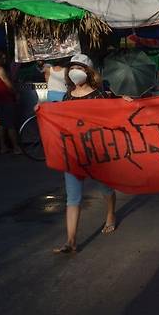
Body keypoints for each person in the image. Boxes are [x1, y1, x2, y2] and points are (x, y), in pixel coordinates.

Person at [52, 54, 118, 254]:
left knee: (106, 190)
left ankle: (110, 215)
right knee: (73, 198)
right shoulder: (67, 96)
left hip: (96, 153)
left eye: (79, 67)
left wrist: (123, 101)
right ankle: (71, 241)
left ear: (88, 72)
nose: (74, 71)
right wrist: (43, 111)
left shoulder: (100, 96)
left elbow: (112, 117)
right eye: (72, 67)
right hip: (73, 154)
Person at [0, 51, 21, 154]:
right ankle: (16, 147)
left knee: (2, 123)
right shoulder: (0, 69)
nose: (4, 59)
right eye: (2, 58)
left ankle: (3, 147)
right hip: (6, 100)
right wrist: (16, 93)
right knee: (11, 124)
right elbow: (8, 84)